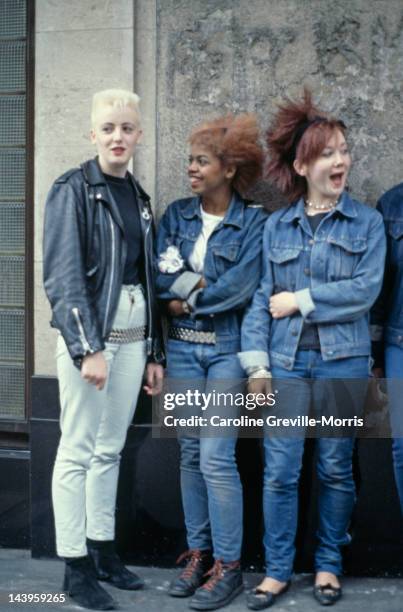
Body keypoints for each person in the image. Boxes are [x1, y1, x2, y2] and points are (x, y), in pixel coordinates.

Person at [239, 90, 386, 608]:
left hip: (343, 363)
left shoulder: (367, 223)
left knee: (335, 468)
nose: (340, 160)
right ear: (302, 165)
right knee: (280, 470)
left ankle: (328, 565)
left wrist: (300, 299)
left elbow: (364, 291)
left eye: (344, 150)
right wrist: (255, 364)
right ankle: (277, 570)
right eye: (327, 153)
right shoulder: (277, 226)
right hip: (284, 365)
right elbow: (260, 300)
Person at [43, 89, 164, 611]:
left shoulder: (138, 197)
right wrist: (86, 347)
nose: (118, 136)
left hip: (134, 342)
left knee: (110, 448)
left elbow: (146, 279)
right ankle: (74, 568)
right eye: (108, 128)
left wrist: (154, 352)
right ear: (93, 134)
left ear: (139, 135)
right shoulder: (72, 190)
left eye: (127, 128)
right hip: (91, 343)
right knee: (77, 449)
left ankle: (102, 550)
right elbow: (63, 276)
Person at [156, 114, 267, 611]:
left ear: (229, 168)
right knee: (187, 454)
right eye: (190, 161)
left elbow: (241, 289)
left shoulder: (255, 221)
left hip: (225, 350)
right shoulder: (175, 216)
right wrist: (186, 295)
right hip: (180, 347)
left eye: (201, 161)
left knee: (216, 457)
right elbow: (160, 278)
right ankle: (198, 555)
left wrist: (189, 296)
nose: (191, 170)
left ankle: (229, 566)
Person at [371, 182, 403, 517]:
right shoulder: (392, 204)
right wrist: (375, 354)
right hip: (399, 341)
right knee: (402, 446)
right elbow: (380, 292)